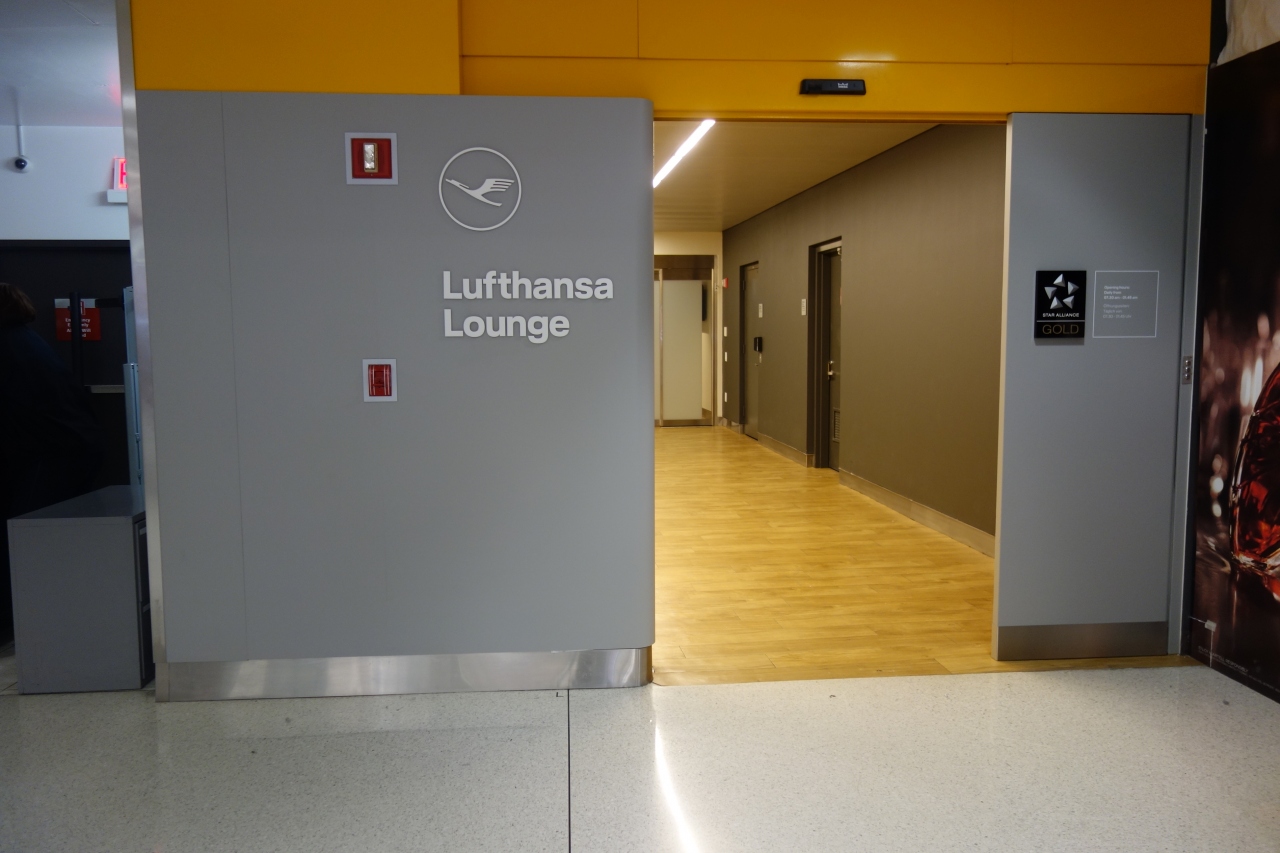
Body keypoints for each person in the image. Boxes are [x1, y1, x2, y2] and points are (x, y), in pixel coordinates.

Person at [0, 283, 105, 640]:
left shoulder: (7, 346)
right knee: (43, 538)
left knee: (26, 538)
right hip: (75, 447)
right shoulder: (27, 341)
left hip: (54, 453)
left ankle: (29, 625)